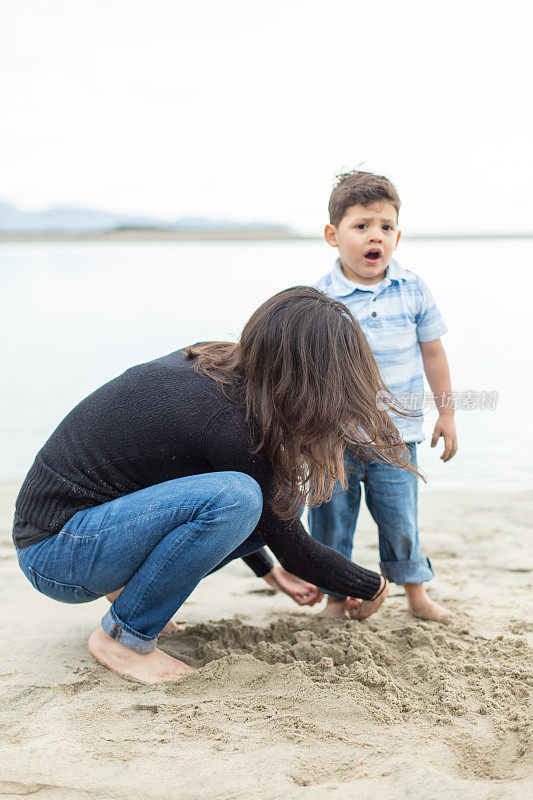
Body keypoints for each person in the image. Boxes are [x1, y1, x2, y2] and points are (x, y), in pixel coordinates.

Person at [13, 287, 416, 685]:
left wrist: (267, 571)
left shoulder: (220, 362)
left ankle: (128, 597)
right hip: (58, 552)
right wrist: (372, 586)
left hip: (88, 534)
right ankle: (123, 640)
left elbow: (244, 505)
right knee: (240, 498)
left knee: (257, 500)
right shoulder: (229, 421)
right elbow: (296, 550)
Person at [308, 170, 458, 622]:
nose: (376, 236)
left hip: (399, 433)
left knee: (401, 517)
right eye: (362, 226)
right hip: (335, 436)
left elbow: (433, 354)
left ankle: (415, 593)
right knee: (331, 519)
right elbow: (308, 370)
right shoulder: (321, 297)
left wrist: (447, 415)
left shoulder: (412, 289)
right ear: (334, 235)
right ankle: (336, 596)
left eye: (385, 227)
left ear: (398, 234)